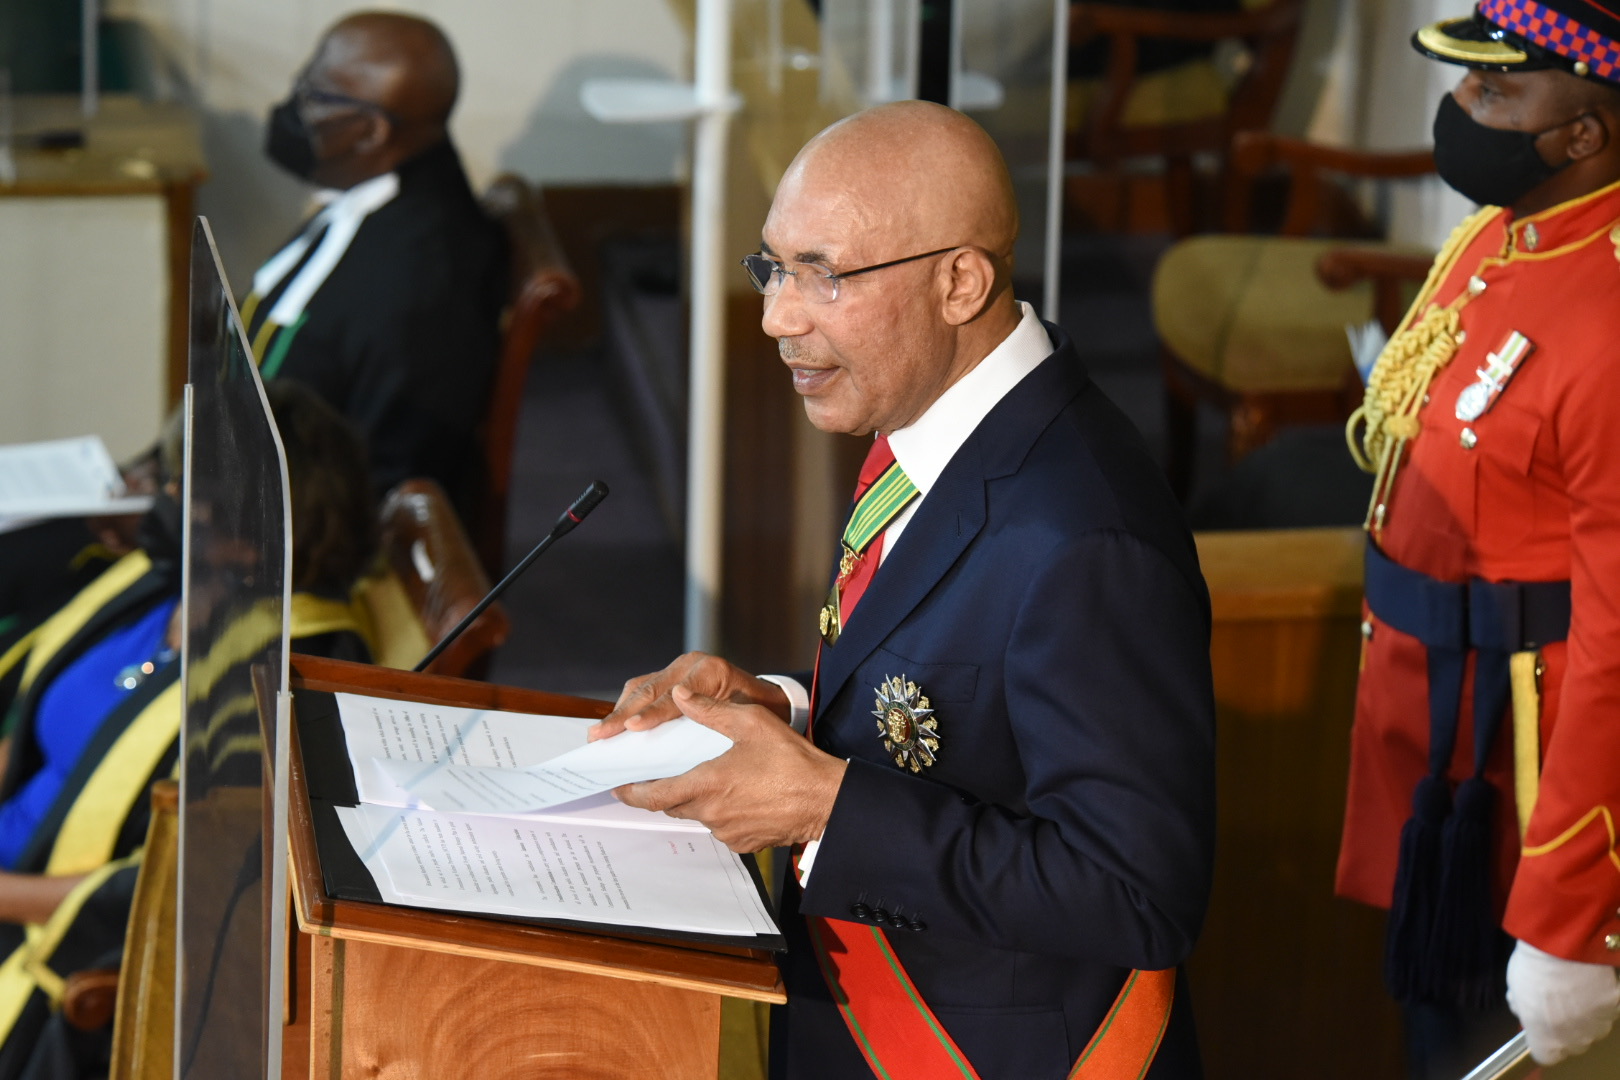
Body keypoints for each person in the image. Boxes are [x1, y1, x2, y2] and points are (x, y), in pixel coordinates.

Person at [591, 102, 1216, 1080]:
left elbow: (1137, 890)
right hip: (861, 1005)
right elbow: (952, 695)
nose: (774, 316)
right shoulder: (934, 427)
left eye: (823, 274)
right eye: (773, 266)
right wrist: (777, 710)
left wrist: (820, 809)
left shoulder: (1086, 534)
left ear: (960, 282)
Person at [1339, 3, 1620, 1075]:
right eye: (1466, 84)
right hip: (1430, 728)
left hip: (1520, 779)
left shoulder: (1607, 312)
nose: (1461, 109)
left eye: (1496, 92)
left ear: (1585, 134)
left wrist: (1566, 914)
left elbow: (1613, 643)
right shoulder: (1505, 232)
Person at [0, 381, 378, 1079]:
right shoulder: (167, 587)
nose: (159, 495)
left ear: (242, 535)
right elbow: (40, 731)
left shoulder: (279, 685)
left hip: (38, 938)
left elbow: (165, 889)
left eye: (178, 485)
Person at [248, 11, 507, 520]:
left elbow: (382, 481)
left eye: (314, 96)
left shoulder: (423, 280)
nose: (293, 109)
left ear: (369, 134)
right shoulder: (372, 199)